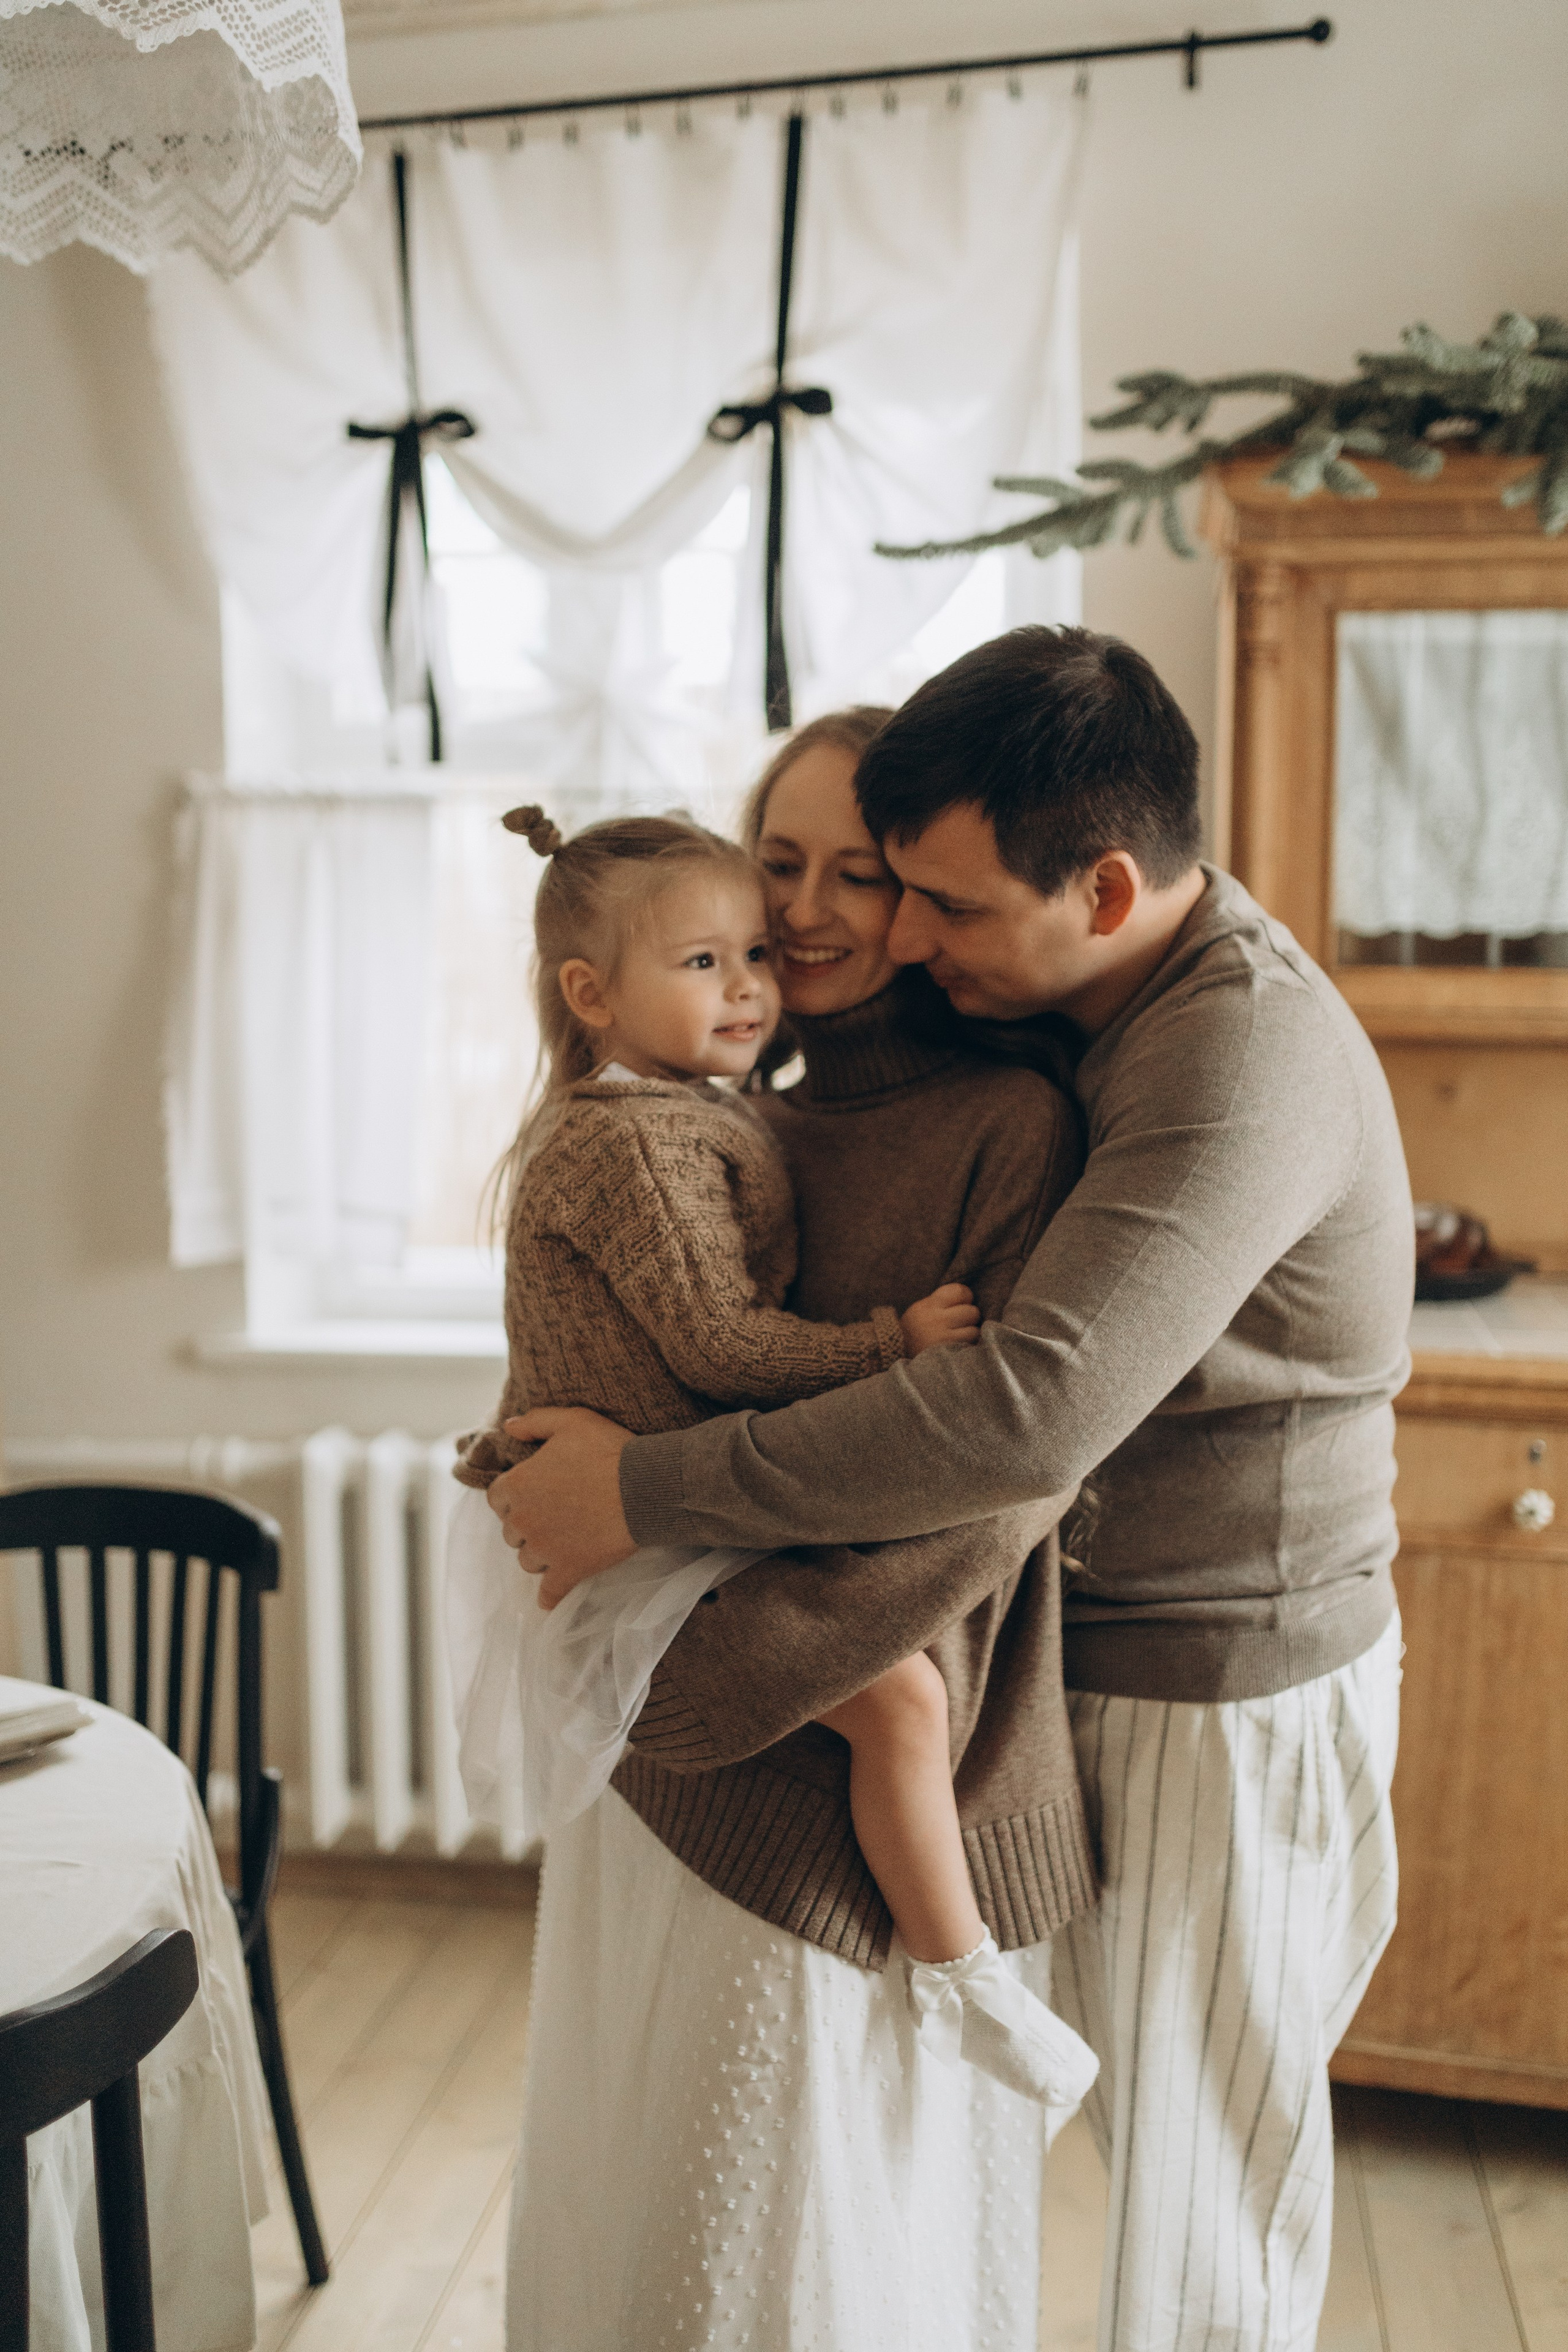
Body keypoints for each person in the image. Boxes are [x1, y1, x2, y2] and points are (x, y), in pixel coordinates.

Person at [489, 630, 1414, 2352]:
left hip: (1226, 1674)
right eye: (828, 879)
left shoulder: (1237, 1060)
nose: (897, 934)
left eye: (942, 903)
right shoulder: (1048, 1018)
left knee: (1202, 2196)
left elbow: (1026, 1413)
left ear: (1113, 882)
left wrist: (653, 1495)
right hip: (1079, 1657)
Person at [489, 716, 1100, 2351]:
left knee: (818, 2244)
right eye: (778, 869)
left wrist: (758, 1638)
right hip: (669, 1735)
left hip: (813, 1709)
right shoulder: (712, 1114)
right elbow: (629, 1361)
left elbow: (1001, 1465)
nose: (806, 922)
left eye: (860, 873)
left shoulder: (1006, 1126)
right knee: (657, 2195)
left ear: (922, 893)